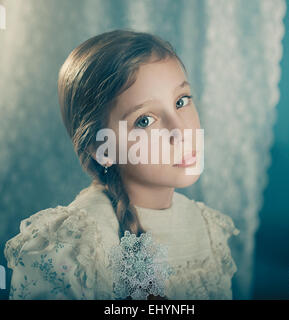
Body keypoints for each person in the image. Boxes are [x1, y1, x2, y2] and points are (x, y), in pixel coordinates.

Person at [4, 29, 240, 300]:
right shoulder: (74, 245)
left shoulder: (207, 229)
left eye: (181, 101)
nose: (181, 131)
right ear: (100, 148)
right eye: (145, 120)